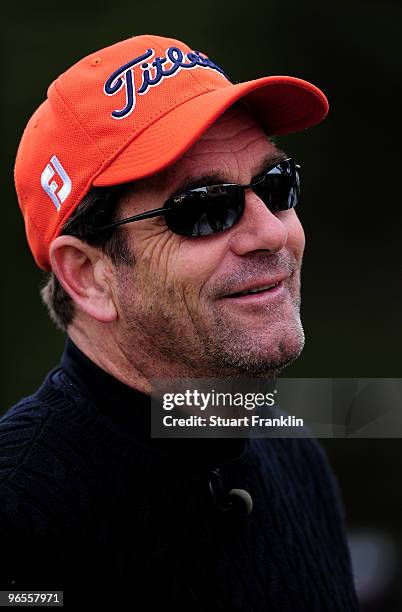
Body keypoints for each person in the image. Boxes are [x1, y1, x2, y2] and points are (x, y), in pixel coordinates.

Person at [1, 34, 359, 609]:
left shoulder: (289, 449)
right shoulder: (21, 513)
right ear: (89, 276)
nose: (272, 232)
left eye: (276, 186)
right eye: (204, 208)